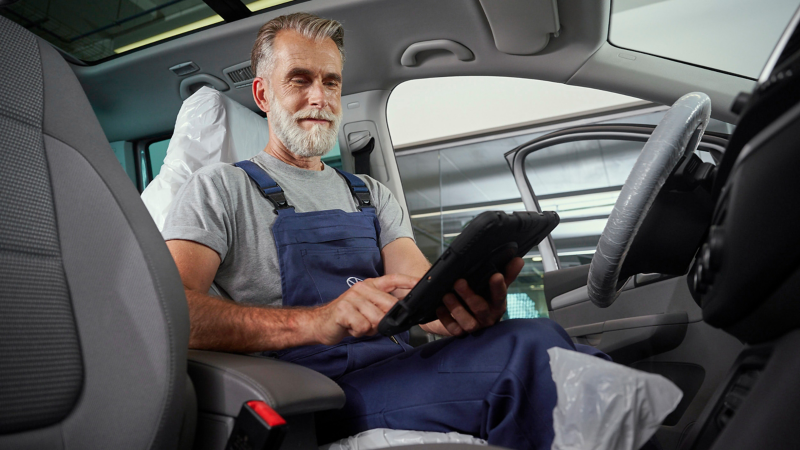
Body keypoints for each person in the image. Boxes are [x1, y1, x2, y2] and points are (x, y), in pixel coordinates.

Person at [164, 12, 606, 450]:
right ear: (263, 94)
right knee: (529, 355)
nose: (320, 98)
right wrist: (317, 321)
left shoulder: (370, 194)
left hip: (397, 368)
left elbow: (419, 296)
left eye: (331, 82)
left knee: (539, 338)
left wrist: (458, 313)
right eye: (299, 80)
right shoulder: (221, 188)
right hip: (315, 391)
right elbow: (172, 315)